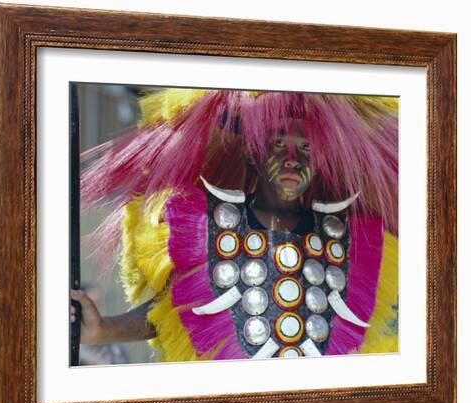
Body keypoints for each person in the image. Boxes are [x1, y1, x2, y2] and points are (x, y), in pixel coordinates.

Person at [72, 88, 399, 361]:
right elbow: (179, 311)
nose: (291, 159)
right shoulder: (209, 225)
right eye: (278, 144)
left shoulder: (346, 238)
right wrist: (104, 329)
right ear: (254, 154)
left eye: (304, 149)